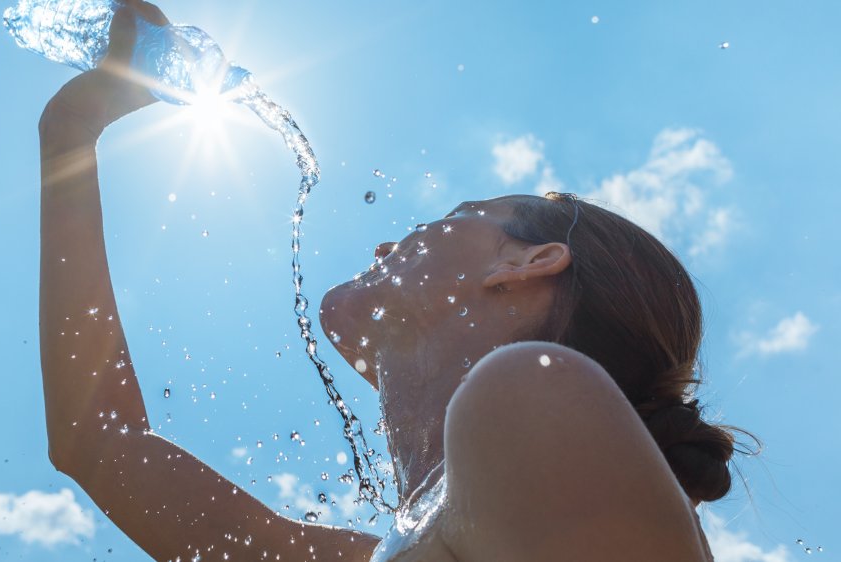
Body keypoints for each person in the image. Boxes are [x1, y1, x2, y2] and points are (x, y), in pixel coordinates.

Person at [37, 1, 749, 560]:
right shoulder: (406, 549)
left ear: (529, 263)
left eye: (460, 213)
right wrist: (70, 137)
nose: (387, 242)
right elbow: (99, 446)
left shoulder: (534, 385)